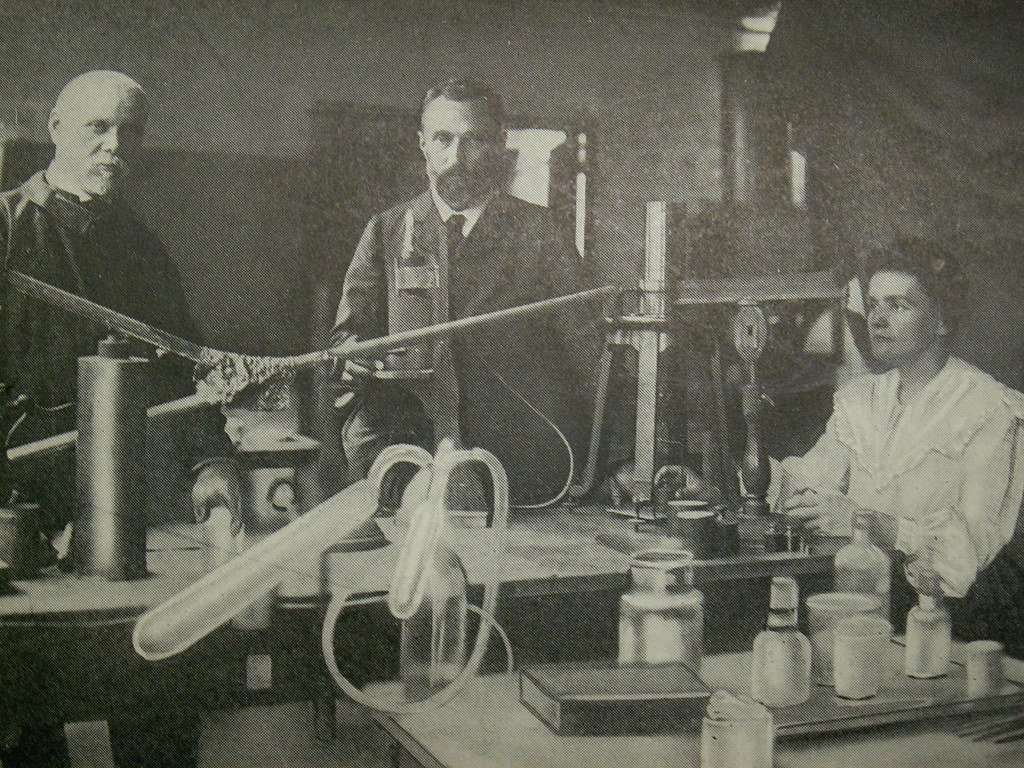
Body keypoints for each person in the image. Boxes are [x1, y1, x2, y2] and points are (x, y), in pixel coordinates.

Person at [0, 70, 225, 767]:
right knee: (29, 724)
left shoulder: (143, 247)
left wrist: (212, 475)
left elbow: (184, 374)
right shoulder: (7, 226)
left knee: (157, 710)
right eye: (98, 127)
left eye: (130, 132)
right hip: (18, 515)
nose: (114, 145)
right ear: (58, 130)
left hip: (124, 518)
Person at [332, 77, 597, 503]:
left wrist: (618, 458)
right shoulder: (385, 232)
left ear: (500, 143)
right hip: (405, 464)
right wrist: (354, 357)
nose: (457, 157)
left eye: (474, 141)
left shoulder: (541, 234)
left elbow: (592, 355)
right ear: (422, 143)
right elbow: (347, 339)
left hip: (521, 471)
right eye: (443, 139)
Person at [777, 238, 1024, 639]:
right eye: (874, 304)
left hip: (943, 625)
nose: (877, 319)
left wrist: (871, 525)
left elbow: (973, 548)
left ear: (942, 320)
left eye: (898, 305)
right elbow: (809, 476)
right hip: (853, 606)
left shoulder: (988, 408)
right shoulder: (862, 400)